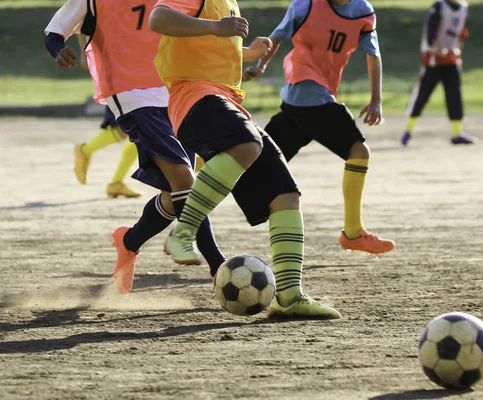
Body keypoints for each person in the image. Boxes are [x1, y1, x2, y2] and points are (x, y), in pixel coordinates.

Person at [149, 0, 340, 319]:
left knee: (285, 195)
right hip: (195, 98)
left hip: (224, 100)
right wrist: (215, 27)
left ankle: (290, 296)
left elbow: (207, 48)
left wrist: (247, 52)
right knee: (248, 144)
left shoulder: (229, 2)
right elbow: (158, 18)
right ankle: (183, 232)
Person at [44, 0, 226, 294]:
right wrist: (59, 50)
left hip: (174, 92)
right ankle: (219, 266)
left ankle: (129, 242)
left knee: (173, 194)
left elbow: (191, 29)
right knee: (185, 181)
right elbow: (55, 31)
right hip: (130, 95)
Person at [243, 0, 395, 255]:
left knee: (254, 162)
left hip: (302, 100)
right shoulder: (305, 6)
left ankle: (191, 214)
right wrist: (260, 65)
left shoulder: (363, 12)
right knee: (358, 151)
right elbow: (276, 38)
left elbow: (373, 55)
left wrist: (376, 99)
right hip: (308, 92)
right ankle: (353, 233)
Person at [74, 34, 141, 198]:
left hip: (142, 63)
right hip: (116, 64)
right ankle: (85, 150)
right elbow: (81, 18)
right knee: (125, 129)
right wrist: (85, 53)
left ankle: (116, 183)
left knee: (142, 129)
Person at [401, 0, 476, 146]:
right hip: (433, 61)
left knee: (454, 95)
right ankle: (407, 131)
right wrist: (435, 48)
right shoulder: (439, 6)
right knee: (422, 96)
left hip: (451, 61)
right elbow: (431, 31)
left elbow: (462, 33)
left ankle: (457, 133)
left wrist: (457, 52)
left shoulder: (463, 8)